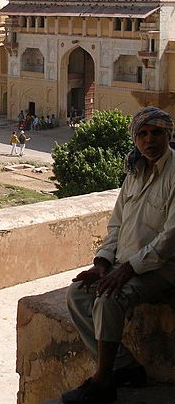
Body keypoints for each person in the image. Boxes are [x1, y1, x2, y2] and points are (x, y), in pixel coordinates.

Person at [62, 107, 175, 404]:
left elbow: (170, 238)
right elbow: (116, 225)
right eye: (142, 134)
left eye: (156, 133)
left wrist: (126, 270)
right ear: (135, 140)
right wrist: (102, 263)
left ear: (168, 135)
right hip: (126, 262)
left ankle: (103, 382)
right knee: (78, 294)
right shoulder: (135, 172)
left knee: (109, 299)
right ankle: (125, 367)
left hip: (163, 268)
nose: (149, 140)